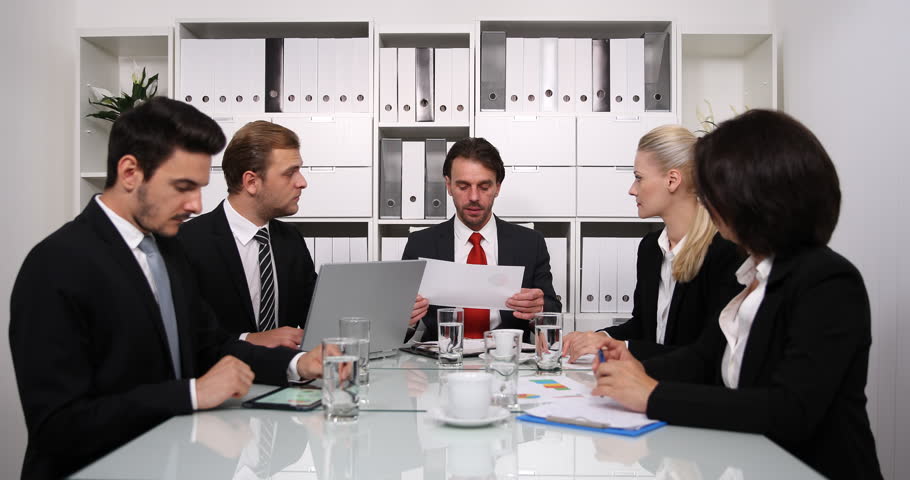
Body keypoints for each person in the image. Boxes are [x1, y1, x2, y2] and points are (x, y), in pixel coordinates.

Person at [9, 98, 327, 479]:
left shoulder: (168, 252)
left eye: (199, 188)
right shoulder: (56, 265)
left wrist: (298, 364)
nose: (195, 205)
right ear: (130, 172)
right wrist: (191, 394)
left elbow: (212, 346)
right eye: (182, 187)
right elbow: (57, 426)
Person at [590, 110, 882, 479]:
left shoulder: (827, 280)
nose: (706, 202)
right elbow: (706, 359)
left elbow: (791, 409)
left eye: (713, 189)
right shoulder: (756, 275)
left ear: (753, 196)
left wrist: (652, 395)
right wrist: (633, 367)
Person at [562, 125, 743, 361]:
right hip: (650, 385)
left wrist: (622, 347)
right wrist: (597, 338)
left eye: (639, 178)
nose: (631, 190)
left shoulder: (725, 251)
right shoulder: (650, 247)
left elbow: (707, 356)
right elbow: (643, 328)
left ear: (672, 180)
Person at [403, 137, 561, 341]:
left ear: (498, 187)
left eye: (484, 187)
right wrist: (406, 319)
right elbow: (398, 327)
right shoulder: (420, 243)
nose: (474, 197)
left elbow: (552, 310)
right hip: (442, 360)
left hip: (507, 358)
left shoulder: (530, 243)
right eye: (463, 186)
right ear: (448, 186)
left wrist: (538, 309)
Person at [179, 121, 317, 349]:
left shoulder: (291, 240)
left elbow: (313, 316)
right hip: (219, 380)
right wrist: (248, 340)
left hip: (289, 377)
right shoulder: (187, 243)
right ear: (251, 182)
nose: (302, 183)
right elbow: (185, 336)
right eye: (290, 173)